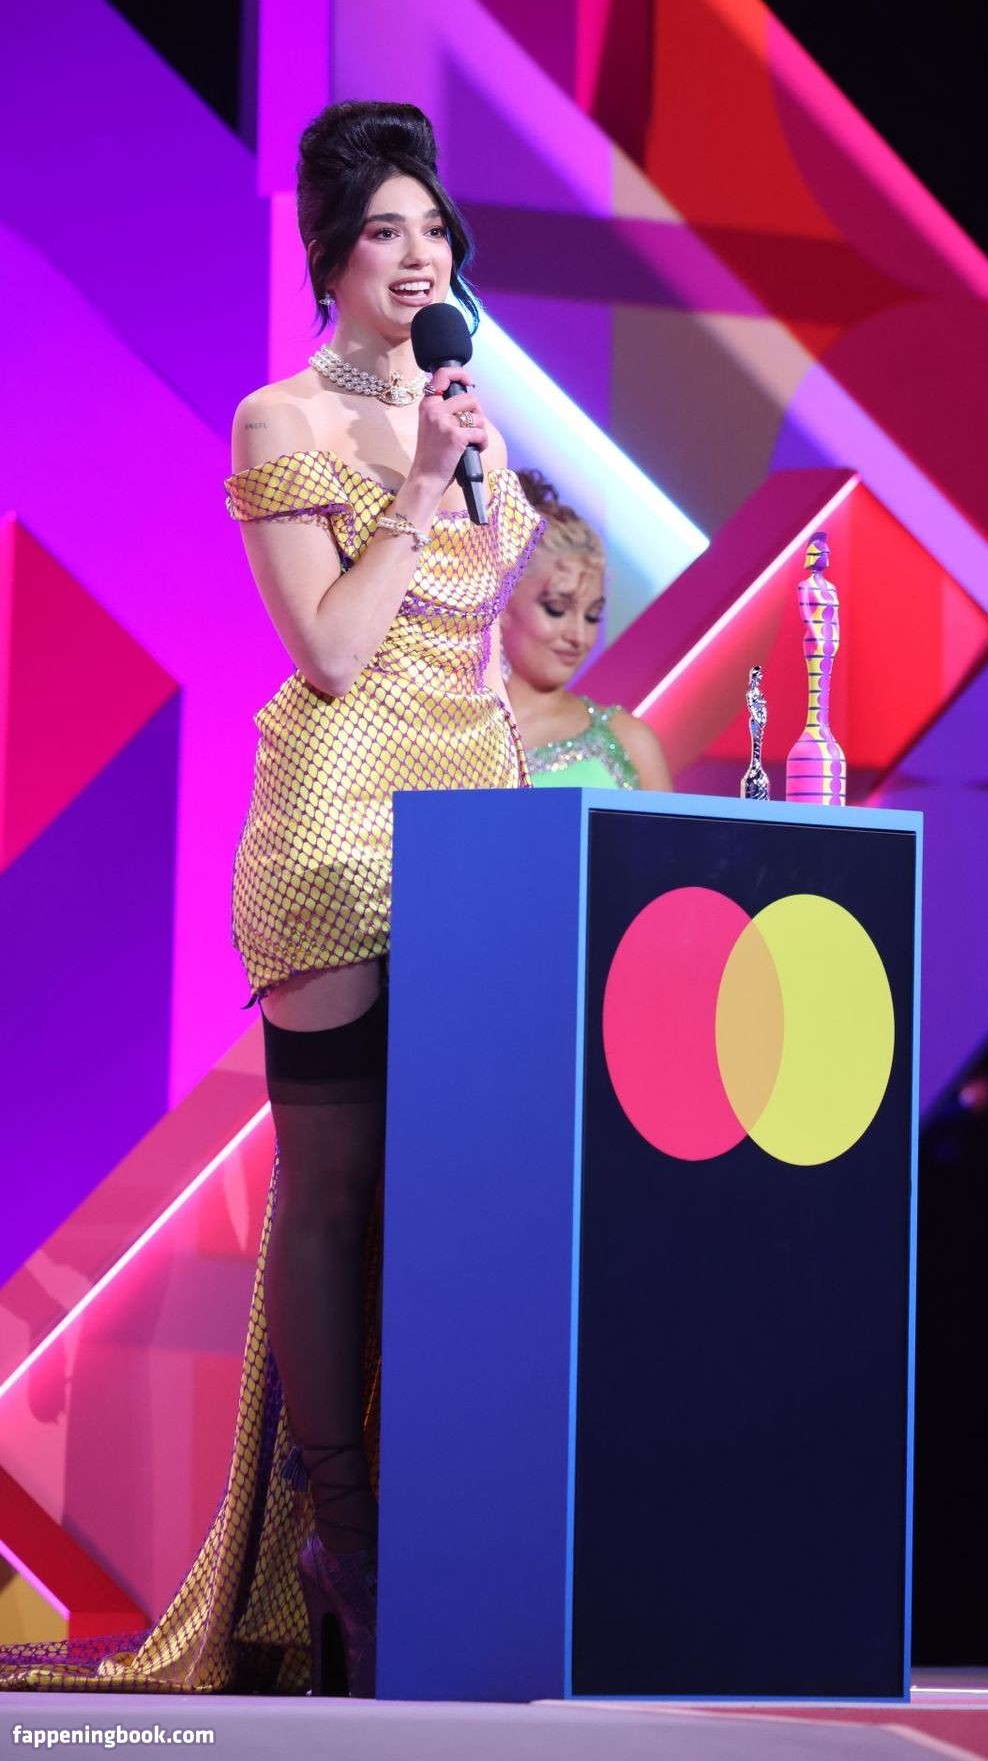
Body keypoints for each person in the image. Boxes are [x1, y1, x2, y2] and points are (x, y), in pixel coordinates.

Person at [0, 100, 541, 1699]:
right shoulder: (276, 421)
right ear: (330, 254)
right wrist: (421, 483)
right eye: (384, 231)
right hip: (339, 825)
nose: (417, 257)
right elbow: (334, 652)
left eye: (432, 230)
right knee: (336, 1187)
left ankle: (448, 1521)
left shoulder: (463, 404)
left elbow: (482, 640)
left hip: (477, 826)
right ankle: (346, 1546)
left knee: (457, 1196)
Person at [502, 473, 672, 791]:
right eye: (556, 608)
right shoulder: (443, 730)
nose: (579, 636)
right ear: (501, 599)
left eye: (593, 616)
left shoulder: (629, 743)